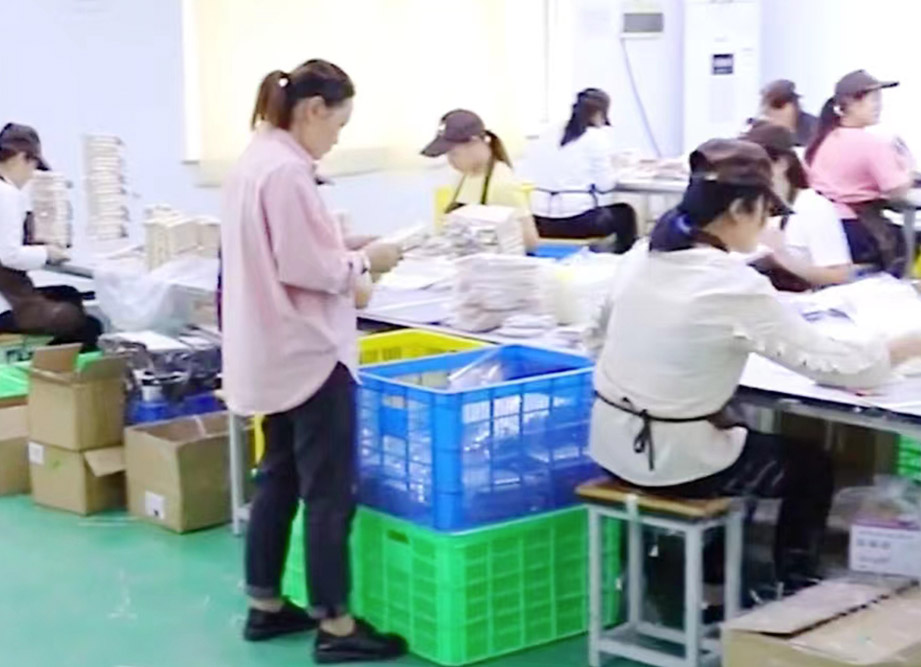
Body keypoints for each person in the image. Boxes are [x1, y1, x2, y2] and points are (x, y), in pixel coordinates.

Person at [587, 138, 921, 592]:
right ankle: (794, 585)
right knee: (811, 467)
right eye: (768, 213)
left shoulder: (640, 255)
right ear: (742, 210)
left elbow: (598, 336)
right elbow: (842, 367)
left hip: (610, 440)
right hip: (673, 459)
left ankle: (707, 570)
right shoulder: (733, 284)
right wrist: (915, 344)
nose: (769, 225)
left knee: (739, 426)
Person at [221, 58, 405, 664]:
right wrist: (367, 259)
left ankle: (266, 604)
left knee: (277, 476)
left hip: (270, 351)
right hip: (309, 352)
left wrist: (341, 244)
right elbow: (312, 270)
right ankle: (337, 624)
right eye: (338, 126)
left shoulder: (256, 160)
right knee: (328, 491)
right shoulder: (288, 173)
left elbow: (287, 249)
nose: (336, 140)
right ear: (313, 110)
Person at [0, 123, 102, 350]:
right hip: (6, 304)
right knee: (89, 326)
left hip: (9, 295)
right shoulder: (6, 195)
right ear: (20, 157)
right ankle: (47, 375)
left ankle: (46, 367)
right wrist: (48, 253)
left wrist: (39, 245)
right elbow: (9, 256)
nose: (31, 174)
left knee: (68, 294)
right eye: (33, 164)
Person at [806, 70, 913, 277]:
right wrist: (908, 171)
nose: (879, 106)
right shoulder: (872, 143)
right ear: (850, 104)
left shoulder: (823, 139)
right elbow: (896, 189)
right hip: (858, 230)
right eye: (873, 100)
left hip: (824, 227)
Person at [741, 121, 854, 290]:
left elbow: (839, 275)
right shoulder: (745, 204)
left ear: (781, 164)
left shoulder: (813, 207)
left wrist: (781, 256)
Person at [528, 88, 638, 254]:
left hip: (539, 221)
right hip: (575, 223)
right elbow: (604, 186)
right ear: (600, 113)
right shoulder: (596, 138)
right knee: (625, 213)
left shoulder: (548, 133)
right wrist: (620, 170)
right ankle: (623, 261)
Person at [420, 109, 540, 251]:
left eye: (454, 154)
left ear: (475, 143)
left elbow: (530, 241)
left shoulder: (501, 183)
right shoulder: (462, 176)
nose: (450, 161)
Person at [752, 79, 817, 147]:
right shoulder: (760, 132)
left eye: (778, 105)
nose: (770, 113)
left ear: (794, 105)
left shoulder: (815, 128)